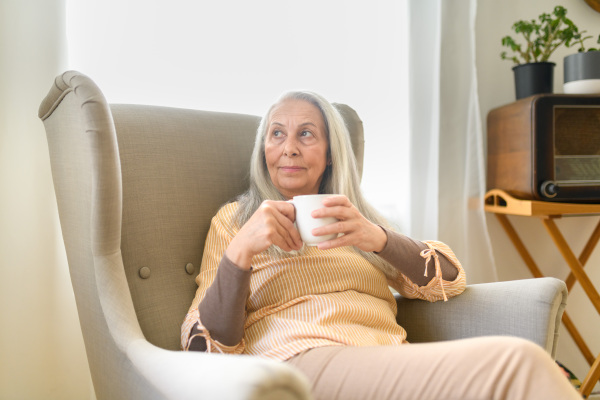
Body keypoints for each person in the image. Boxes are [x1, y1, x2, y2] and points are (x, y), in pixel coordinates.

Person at [181, 91, 580, 399]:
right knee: (518, 362)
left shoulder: (358, 220)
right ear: (263, 150)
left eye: (306, 134)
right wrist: (241, 251)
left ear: (331, 154)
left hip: (385, 355)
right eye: (277, 134)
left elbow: (450, 280)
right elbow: (207, 348)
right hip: (298, 360)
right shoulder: (234, 221)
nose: (289, 148)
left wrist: (380, 239)